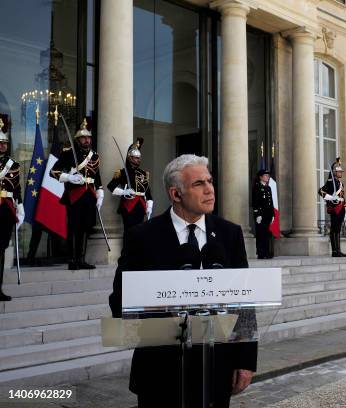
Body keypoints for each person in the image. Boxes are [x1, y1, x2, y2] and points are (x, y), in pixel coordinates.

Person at [109, 154, 256, 408]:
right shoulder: (142, 236)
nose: (210, 189)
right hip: (160, 371)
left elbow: (242, 303)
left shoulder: (229, 234)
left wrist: (245, 361)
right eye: (199, 184)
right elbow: (120, 301)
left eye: (209, 181)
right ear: (176, 194)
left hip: (216, 368)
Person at [50, 118, 103, 270]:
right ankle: (73, 259)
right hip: (74, 194)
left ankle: (82, 259)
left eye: (88, 138)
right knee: (74, 227)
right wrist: (69, 177)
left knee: (86, 227)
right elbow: (53, 172)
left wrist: (100, 192)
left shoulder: (94, 156)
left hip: (89, 194)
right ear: (78, 139)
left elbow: (97, 176)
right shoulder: (68, 153)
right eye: (83, 138)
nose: (87, 140)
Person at [107, 138, 153, 234]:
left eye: (139, 158)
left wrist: (149, 206)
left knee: (139, 231)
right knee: (129, 231)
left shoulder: (143, 173)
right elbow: (110, 186)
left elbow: (147, 191)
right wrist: (124, 192)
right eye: (136, 158)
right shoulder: (123, 172)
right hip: (129, 205)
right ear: (130, 158)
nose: (138, 160)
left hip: (140, 205)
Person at [0, 119, 24, 301]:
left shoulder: (13, 164)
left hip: (7, 209)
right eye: (0, 143)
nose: (3, 146)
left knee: (1, 248)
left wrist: (21, 209)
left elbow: (16, 189)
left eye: (5, 143)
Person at [318, 157, 346, 257]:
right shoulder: (330, 182)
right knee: (334, 228)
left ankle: (338, 250)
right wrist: (331, 198)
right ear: (334, 172)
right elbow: (320, 191)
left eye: (341, 172)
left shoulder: (340, 184)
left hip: (341, 208)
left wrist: (345, 208)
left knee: (338, 229)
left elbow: (342, 196)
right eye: (339, 172)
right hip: (335, 209)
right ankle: (334, 251)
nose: (341, 173)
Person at [252, 168, 274, 259]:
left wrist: (273, 214)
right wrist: (258, 214)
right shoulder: (257, 187)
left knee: (267, 234)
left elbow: (270, 202)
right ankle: (261, 253)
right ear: (261, 177)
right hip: (261, 214)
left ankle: (267, 252)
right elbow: (255, 202)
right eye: (265, 175)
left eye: (268, 176)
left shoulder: (268, 188)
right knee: (260, 234)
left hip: (268, 214)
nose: (267, 177)